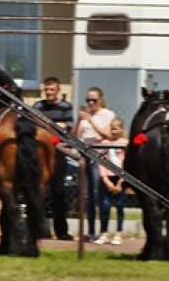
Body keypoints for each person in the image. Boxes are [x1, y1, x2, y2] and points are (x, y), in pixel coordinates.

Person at [34, 76, 74, 240]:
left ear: (58, 90)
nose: (49, 92)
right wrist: (54, 126)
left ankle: (61, 231)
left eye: (52, 90)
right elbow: (33, 125)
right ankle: (38, 229)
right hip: (40, 151)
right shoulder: (38, 106)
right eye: (46, 90)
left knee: (58, 192)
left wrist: (46, 126)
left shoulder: (66, 107)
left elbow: (67, 128)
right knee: (39, 191)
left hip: (58, 151)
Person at [74, 87, 114, 240]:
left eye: (94, 100)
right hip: (85, 155)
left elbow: (107, 134)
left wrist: (91, 120)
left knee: (100, 194)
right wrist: (79, 120)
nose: (90, 103)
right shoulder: (85, 115)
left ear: (101, 100)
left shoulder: (107, 114)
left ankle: (103, 231)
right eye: (88, 100)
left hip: (100, 157)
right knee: (87, 196)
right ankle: (90, 231)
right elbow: (74, 136)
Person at [93, 116, 128, 245]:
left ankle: (119, 232)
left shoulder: (125, 143)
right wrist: (106, 179)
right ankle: (103, 232)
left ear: (122, 130)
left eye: (116, 129)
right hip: (107, 177)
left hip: (120, 178)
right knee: (105, 205)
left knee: (119, 205)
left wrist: (120, 181)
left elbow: (127, 163)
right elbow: (101, 162)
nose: (113, 131)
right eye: (112, 129)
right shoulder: (105, 143)